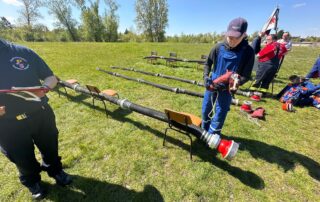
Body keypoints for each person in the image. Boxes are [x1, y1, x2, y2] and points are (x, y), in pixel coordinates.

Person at [0, 38, 72, 199]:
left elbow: (51, 77)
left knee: (50, 147)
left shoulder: (22, 52)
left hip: (41, 114)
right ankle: (33, 181)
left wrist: (45, 88)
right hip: (7, 124)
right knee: (22, 158)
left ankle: (56, 170)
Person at [202, 17, 255, 134]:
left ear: (244, 35)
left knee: (221, 112)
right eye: (229, 36)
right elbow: (207, 63)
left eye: (235, 37)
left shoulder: (248, 52)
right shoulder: (218, 47)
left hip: (228, 87)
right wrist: (206, 77)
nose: (231, 40)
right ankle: (203, 131)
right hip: (213, 82)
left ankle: (213, 136)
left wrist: (235, 83)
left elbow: (246, 76)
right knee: (206, 109)